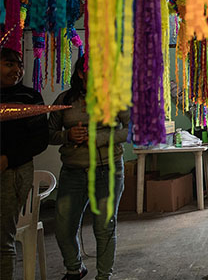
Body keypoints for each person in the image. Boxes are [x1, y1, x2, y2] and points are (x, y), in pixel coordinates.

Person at [49, 56, 130, 280]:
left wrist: (102, 137)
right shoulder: (64, 99)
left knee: (104, 228)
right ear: (81, 73)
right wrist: (67, 135)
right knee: (64, 228)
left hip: (108, 171)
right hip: (73, 172)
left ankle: (104, 276)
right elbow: (48, 134)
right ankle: (75, 268)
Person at [0, 47, 49, 279]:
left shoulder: (31, 98)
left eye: (19, 65)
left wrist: (8, 159)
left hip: (14, 172)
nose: (17, 70)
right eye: (9, 64)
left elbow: (39, 140)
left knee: (2, 239)